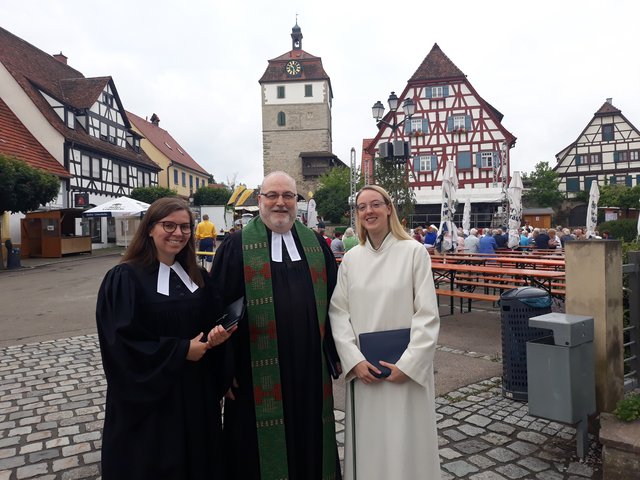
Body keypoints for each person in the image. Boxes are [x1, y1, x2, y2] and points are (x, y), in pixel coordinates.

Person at [210, 171, 341, 480]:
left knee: (311, 440)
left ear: (297, 201)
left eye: (288, 196)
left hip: (310, 373)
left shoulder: (316, 245)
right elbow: (217, 311)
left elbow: (335, 305)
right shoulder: (236, 246)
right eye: (272, 195)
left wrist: (335, 355)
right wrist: (224, 370)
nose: (280, 203)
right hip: (255, 375)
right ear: (260, 201)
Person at [96, 197, 234, 480]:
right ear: (149, 228)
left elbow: (210, 323)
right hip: (152, 404)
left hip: (196, 396)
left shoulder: (198, 277)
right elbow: (120, 344)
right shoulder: (124, 279)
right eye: (168, 225)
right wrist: (182, 350)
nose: (178, 233)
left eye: (185, 227)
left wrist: (216, 338)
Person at [329, 185, 441, 480]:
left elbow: (427, 315)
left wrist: (409, 364)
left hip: (405, 373)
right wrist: (353, 360)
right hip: (366, 372)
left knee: (408, 446)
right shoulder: (352, 260)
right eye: (362, 207)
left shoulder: (414, 252)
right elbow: (338, 314)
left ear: (389, 208)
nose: (369, 211)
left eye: (375, 204)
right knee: (370, 447)